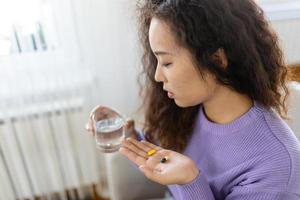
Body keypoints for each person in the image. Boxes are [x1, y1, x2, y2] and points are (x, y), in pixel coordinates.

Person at [86, 0, 300, 199]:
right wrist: (130, 136)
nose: (157, 76)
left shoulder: (276, 167)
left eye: (167, 63)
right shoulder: (192, 110)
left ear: (218, 58)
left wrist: (190, 181)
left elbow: (179, 173)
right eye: (157, 61)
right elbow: (162, 159)